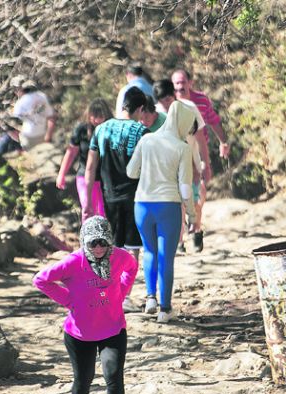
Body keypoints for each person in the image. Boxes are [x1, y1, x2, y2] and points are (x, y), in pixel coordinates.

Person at [32, 216, 138, 394]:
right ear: (84, 243)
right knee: (84, 379)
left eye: (103, 242)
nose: (99, 248)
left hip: (113, 329)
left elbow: (131, 268)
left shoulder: (120, 257)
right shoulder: (73, 262)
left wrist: (121, 293)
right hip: (80, 334)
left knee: (114, 378)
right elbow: (40, 280)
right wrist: (69, 300)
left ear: (109, 241)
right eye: (93, 244)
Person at [126, 101, 197, 323]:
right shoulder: (182, 147)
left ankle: (150, 299)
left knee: (149, 251)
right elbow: (185, 188)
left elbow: (131, 172)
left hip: (142, 205)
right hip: (168, 206)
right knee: (166, 257)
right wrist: (192, 215)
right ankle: (165, 310)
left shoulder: (146, 140)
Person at [83, 86, 149, 313]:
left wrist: (87, 202)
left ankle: (109, 293)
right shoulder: (141, 132)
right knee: (133, 250)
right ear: (140, 109)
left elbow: (90, 168)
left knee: (110, 247)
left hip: (108, 197)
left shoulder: (101, 130)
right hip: (135, 197)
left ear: (122, 106)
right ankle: (125, 295)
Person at [172, 69, 232, 251]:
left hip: (199, 151)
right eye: (176, 83)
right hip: (177, 154)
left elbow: (213, 120)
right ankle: (180, 238)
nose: (180, 86)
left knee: (200, 193)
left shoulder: (201, 100)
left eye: (183, 82)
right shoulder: (169, 104)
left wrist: (223, 141)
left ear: (190, 82)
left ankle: (196, 228)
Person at [154, 79, 208, 252]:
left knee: (196, 200)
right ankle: (179, 241)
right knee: (177, 205)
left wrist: (204, 162)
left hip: (191, 161)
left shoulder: (189, 108)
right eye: (161, 101)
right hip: (169, 168)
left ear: (174, 96)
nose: (165, 104)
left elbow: (200, 136)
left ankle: (197, 230)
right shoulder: (155, 114)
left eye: (168, 100)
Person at [56, 99, 114, 217]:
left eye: (100, 116)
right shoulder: (82, 129)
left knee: (104, 213)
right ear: (89, 115)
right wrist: (61, 174)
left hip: (106, 178)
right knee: (87, 211)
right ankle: (87, 235)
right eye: (94, 116)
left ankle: (106, 235)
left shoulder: (113, 129)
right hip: (84, 177)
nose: (97, 120)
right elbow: (71, 152)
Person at [0, 76, 57, 154]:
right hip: (44, 135)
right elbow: (51, 117)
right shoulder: (41, 96)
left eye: (16, 89)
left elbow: (11, 125)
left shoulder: (19, 105)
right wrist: (48, 136)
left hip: (30, 139)